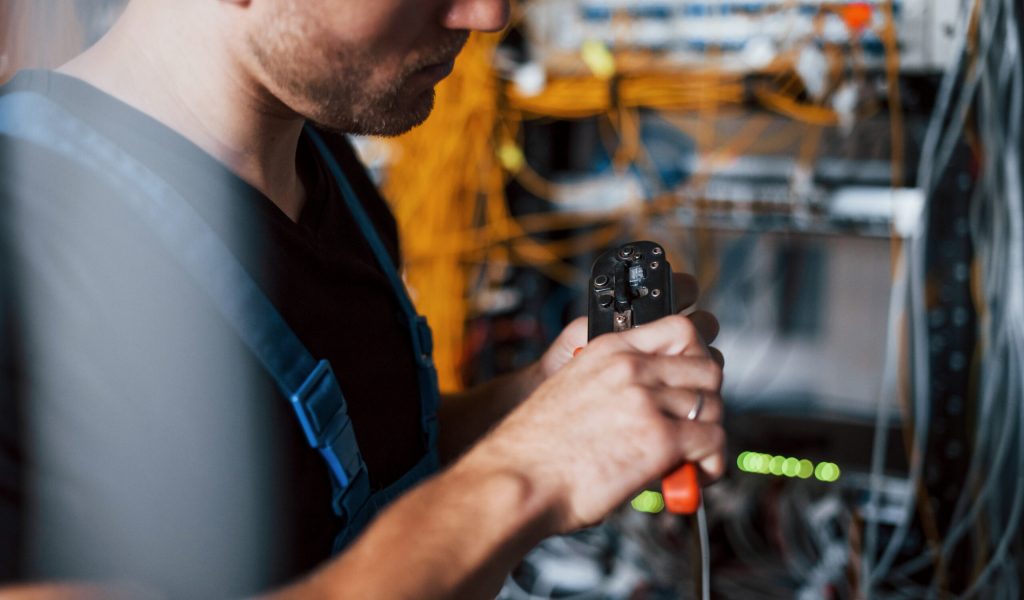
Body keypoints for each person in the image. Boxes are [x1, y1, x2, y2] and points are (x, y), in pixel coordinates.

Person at [0, 0, 726, 597]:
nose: (488, 15)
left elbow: (344, 481)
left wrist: (538, 407)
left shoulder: (322, 162)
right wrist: (519, 483)